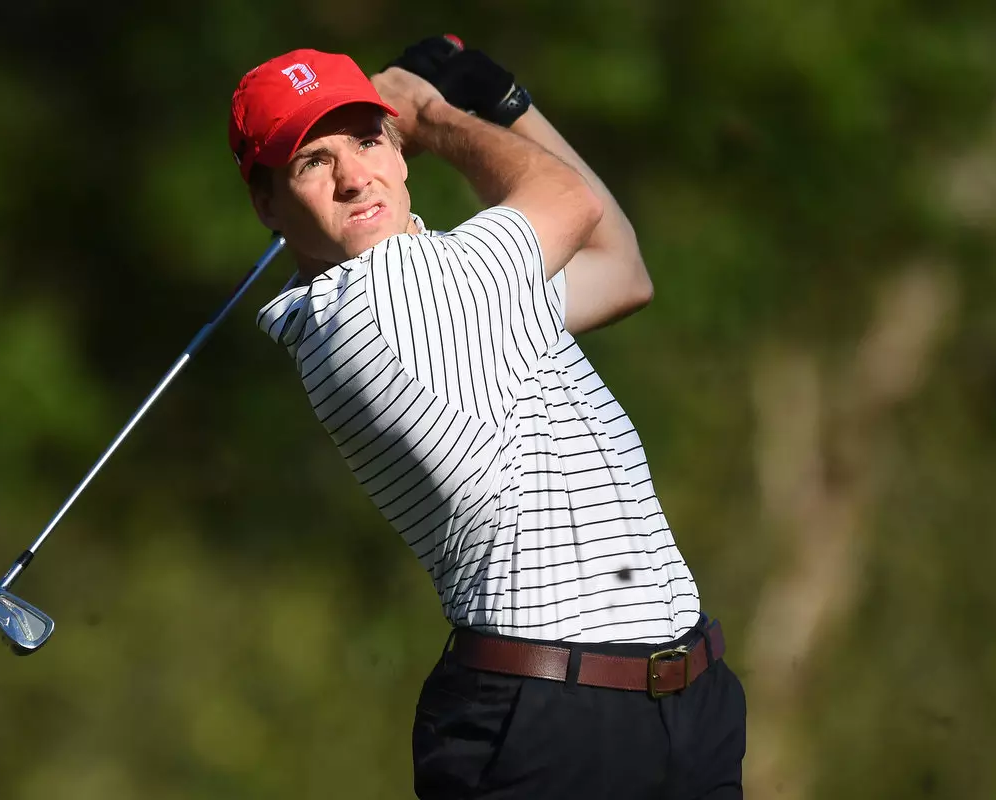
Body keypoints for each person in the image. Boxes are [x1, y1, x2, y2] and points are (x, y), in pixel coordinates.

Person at [228, 38, 746, 799]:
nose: (352, 178)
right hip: (550, 726)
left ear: (393, 154)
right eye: (310, 162)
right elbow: (574, 205)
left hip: (675, 710)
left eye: (367, 139)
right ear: (268, 204)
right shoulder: (386, 297)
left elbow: (622, 270)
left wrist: (504, 105)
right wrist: (437, 116)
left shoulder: (463, 292)